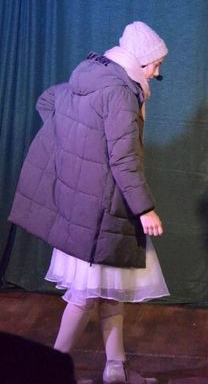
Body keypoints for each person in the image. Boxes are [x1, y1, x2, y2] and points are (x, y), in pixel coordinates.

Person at [8, 21, 170, 384]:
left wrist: (78, 142)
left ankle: (116, 368)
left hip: (85, 203)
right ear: (139, 60)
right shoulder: (120, 93)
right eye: (156, 65)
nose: (157, 73)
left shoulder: (89, 78)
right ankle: (47, 371)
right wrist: (145, 209)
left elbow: (47, 100)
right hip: (102, 208)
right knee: (84, 294)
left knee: (110, 291)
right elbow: (124, 158)